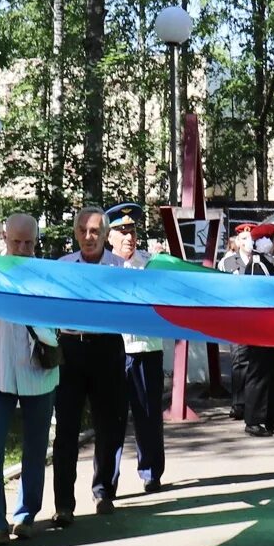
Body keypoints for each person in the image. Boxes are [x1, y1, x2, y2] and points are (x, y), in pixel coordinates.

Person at [0, 214, 59, 545]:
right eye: (16, 241)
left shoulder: (47, 275)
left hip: (38, 374)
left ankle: (26, 515)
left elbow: (61, 321)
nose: (22, 248)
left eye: (29, 242)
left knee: (35, 448)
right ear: (4, 236)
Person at [50, 206, 127, 524]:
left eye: (95, 231)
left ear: (106, 235)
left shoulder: (119, 268)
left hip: (107, 348)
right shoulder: (63, 266)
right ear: (75, 233)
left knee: (109, 425)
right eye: (82, 230)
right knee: (66, 428)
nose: (88, 236)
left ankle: (104, 492)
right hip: (70, 349)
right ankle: (63, 505)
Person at [110, 206, 167, 493]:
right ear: (109, 237)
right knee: (112, 416)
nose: (128, 237)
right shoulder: (103, 268)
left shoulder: (151, 265)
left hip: (146, 348)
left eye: (131, 231)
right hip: (112, 350)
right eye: (121, 232)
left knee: (147, 413)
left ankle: (151, 472)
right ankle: (107, 482)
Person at [242, 223, 274, 437]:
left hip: (272, 326)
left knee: (273, 371)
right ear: (266, 242)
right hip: (260, 327)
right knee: (258, 372)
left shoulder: (268, 262)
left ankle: (271, 417)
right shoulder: (257, 265)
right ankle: (253, 419)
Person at [221, 224, 256, 419]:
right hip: (237, 318)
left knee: (256, 362)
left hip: (259, 319)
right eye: (243, 238)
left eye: (250, 238)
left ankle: (254, 402)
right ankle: (238, 403)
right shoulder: (228, 263)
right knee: (239, 361)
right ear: (237, 242)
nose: (247, 242)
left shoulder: (263, 260)